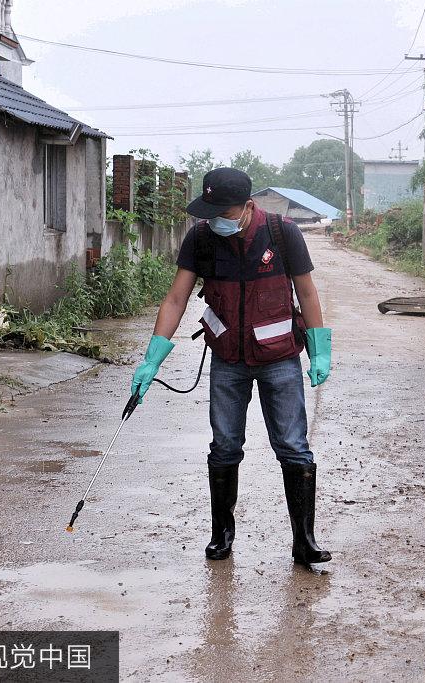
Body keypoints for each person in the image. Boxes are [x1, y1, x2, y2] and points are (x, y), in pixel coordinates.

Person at [131, 167, 333, 566]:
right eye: (210, 211)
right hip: (227, 359)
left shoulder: (281, 233)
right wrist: (152, 356)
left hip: (279, 360)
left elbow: (306, 292)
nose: (215, 219)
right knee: (224, 445)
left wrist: (320, 348)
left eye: (222, 211)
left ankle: (304, 541)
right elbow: (176, 298)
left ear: (247, 207)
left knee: (293, 446)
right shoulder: (202, 238)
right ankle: (221, 536)